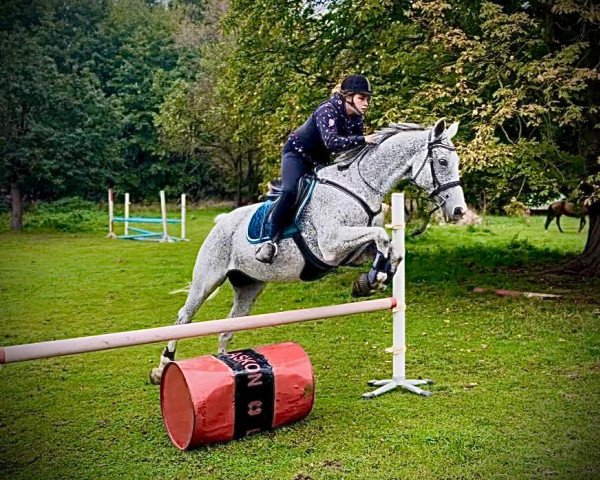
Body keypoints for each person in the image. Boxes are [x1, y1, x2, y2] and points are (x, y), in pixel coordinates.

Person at [255, 74, 377, 264]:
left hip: (320, 162)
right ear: (348, 97)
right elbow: (332, 143)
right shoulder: (326, 110)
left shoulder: (356, 119)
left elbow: (353, 152)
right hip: (297, 155)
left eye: (368, 98)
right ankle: (270, 240)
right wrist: (364, 139)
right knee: (289, 191)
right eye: (362, 98)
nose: (366, 103)